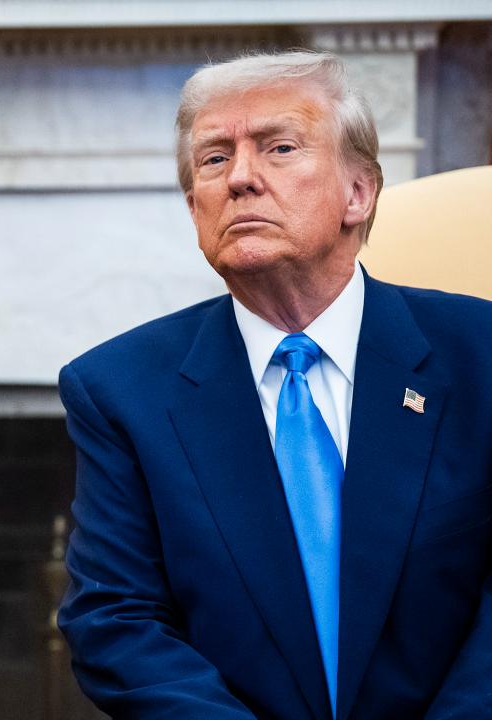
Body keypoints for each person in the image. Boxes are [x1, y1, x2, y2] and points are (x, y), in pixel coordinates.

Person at [57, 50, 492, 719]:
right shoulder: (119, 390)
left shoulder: (479, 354)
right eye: (214, 159)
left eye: (279, 148)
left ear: (359, 193)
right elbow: (115, 618)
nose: (240, 179)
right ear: (195, 208)